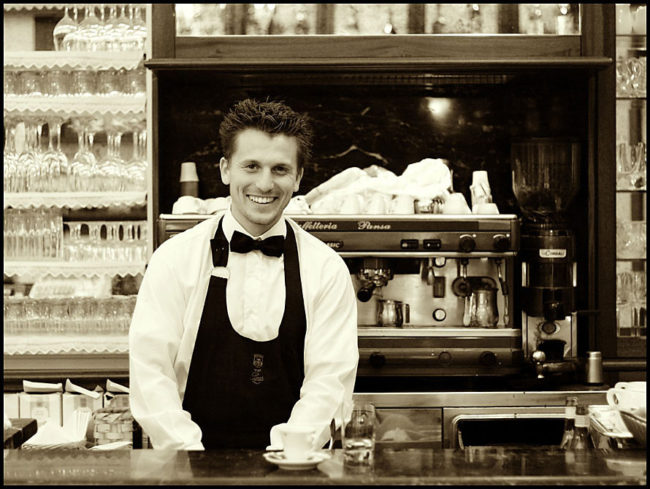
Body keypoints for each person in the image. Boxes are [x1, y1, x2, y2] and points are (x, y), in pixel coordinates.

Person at [129, 98, 359, 450]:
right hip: (188, 462)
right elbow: (151, 373)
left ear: (298, 177)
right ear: (225, 170)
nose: (265, 184)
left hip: (296, 465)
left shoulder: (326, 268)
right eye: (251, 166)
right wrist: (189, 457)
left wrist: (289, 455)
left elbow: (330, 383)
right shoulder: (175, 259)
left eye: (280, 169)